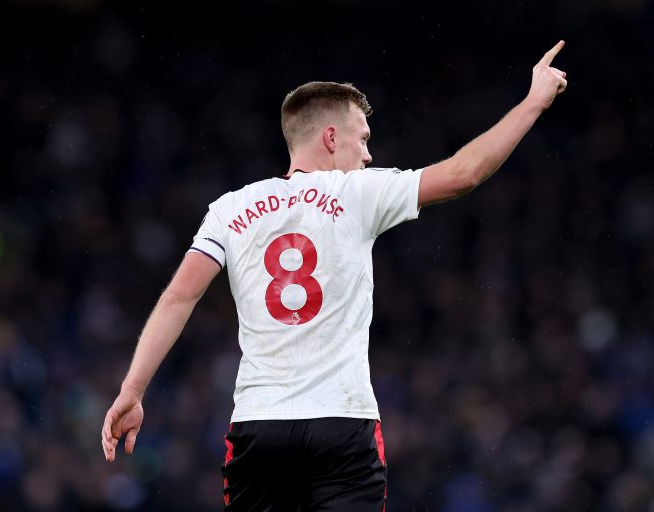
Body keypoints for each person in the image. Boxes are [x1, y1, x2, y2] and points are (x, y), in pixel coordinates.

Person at [101, 41, 568, 511]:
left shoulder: (230, 209)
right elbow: (466, 174)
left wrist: (132, 390)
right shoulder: (357, 192)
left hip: (259, 427)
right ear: (329, 138)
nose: (367, 155)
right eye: (362, 139)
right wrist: (533, 103)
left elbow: (179, 297)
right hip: (342, 424)